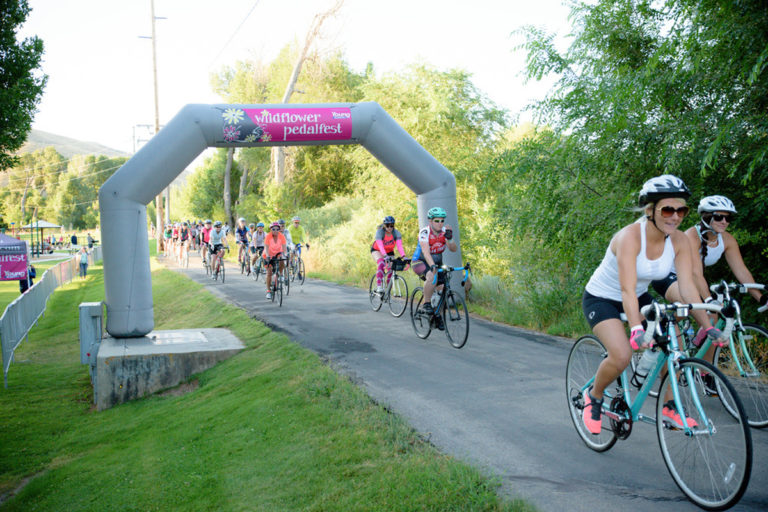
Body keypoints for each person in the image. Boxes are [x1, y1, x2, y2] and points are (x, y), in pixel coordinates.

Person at [581, 175, 725, 435]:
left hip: (637, 296)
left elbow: (686, 287)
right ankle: (595, 395)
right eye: (668, 209)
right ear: (650, 211)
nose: (676, 216)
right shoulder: (630, 237)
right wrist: (636, 328)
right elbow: (626, 287)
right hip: (602, 297)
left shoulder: (680, 241)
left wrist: (706, 325)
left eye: (682, 210)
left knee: (675, 346)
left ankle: (669, 408)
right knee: (622, 355)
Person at [411, 207, 458, 330]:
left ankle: (437, 315)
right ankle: (426, 304)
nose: (440, 223)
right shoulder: (425, 232)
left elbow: (454, 249)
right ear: (430, 221)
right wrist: (432, 267)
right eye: (437, 221)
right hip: (420, 261)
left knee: (443, 290)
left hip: (436, 263)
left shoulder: (444, 232)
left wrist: (450, 238)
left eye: (442, 221)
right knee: (431, 277)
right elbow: (426, 253)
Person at [370, 215, 407, 294]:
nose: (389, 228)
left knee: (391, 268)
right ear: (384, 225)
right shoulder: (380, 232)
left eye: (392, 225)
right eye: (387, 225)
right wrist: (385, 256)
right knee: (381, 263)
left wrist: (404, 256)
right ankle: (379, 286)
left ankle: (388, 288)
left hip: (389, 251)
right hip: (377, 250)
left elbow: (399, 246)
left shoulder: (396, 233)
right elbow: (380, 246)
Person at [264, 221, 287, 299]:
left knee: (282, 260)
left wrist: (285, 254)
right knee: (269, 273)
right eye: (273, 229)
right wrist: (267, 256)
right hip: (268, 255)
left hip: (278, 254)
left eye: (277, 229)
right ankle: (268, 291)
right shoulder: (268, 236)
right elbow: (266, 248)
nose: (275, 231)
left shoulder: (282, 236)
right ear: (271, 229)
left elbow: (284, 248)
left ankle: (280, 274)